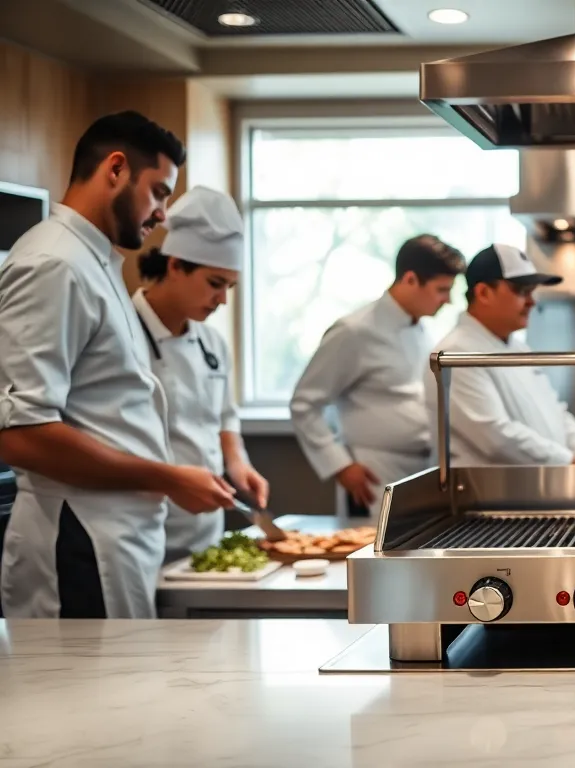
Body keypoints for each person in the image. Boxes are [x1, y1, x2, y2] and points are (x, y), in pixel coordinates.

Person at [0, 111, 237, 619]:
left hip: (115, 536)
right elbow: (22, 433)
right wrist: (169, 477)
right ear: (115, 169)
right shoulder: (53, 263)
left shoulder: (95, 262)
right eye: (158, 192)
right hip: (78, 539)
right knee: (82, 696)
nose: (163, 216)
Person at [132, 186, 271, 564]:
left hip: (207, 531)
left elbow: (224, 414)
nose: (222, 300)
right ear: (175, 265)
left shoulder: (211, 342)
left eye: (230, 286)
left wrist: (238, 462)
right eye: (215, 284)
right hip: (144, 531)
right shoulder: (122, 334)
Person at [290, 235, 465, 513]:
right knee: (378, 552)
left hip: (420, 469)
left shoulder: (421, 331)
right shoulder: (354, 332)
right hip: (374, 473)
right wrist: (340, 465)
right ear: (410, 280)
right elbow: (304, 403)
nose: (448, 300)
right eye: (442, 289)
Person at [424, 244, 575, 466]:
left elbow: (555, 411)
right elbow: (496, 437)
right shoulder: (455, 355)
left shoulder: (518, 349)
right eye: (521, 291)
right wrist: (569, 461)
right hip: (484, 495)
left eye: (532, 292)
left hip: (528, 489)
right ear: (484, 293)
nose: (531, 302)